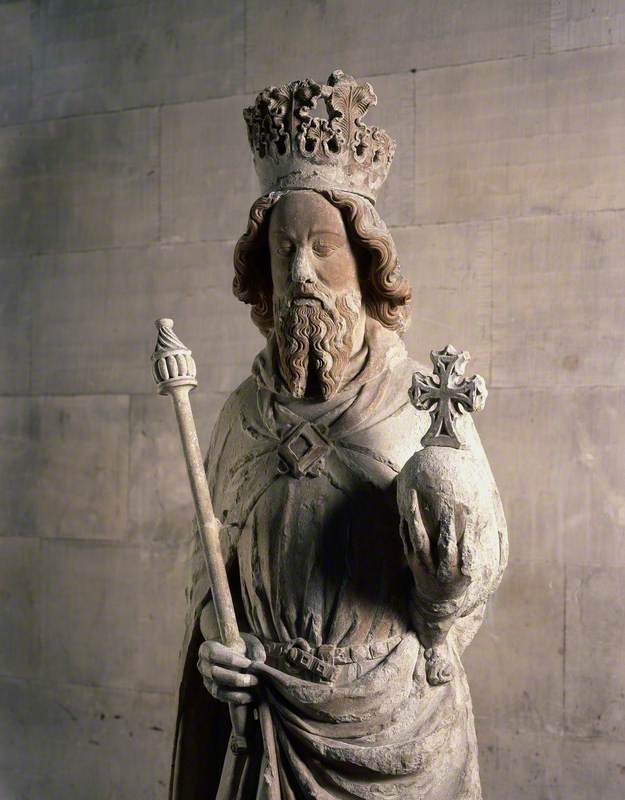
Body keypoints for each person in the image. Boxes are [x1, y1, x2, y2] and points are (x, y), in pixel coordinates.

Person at [170, 71, 507, 800]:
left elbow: (471, 579)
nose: (298, 272)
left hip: (395, 730)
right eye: (281, 250)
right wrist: (213, 649)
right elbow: (207, 564)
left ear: (364, 257)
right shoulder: (240, 413)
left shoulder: (422, 403)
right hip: (263, 730)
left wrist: (449, 581)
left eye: (321, 246)